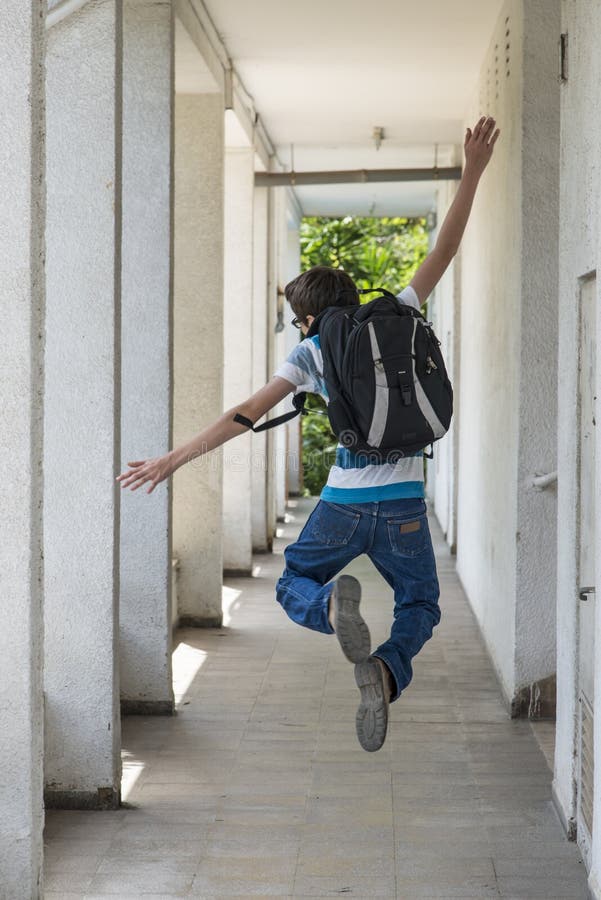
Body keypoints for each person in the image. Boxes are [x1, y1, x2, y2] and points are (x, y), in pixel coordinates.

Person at [117, 115, 500, 752]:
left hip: (343, 504)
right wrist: (474, 170)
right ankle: (384, 668)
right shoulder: (397, 314)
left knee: (295, 576)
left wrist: (174, 458)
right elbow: (444, 249)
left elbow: (244, 413)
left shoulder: (314, 350)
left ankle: (326, 610)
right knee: (421, 606)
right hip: (405, 503)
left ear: (309, 315)